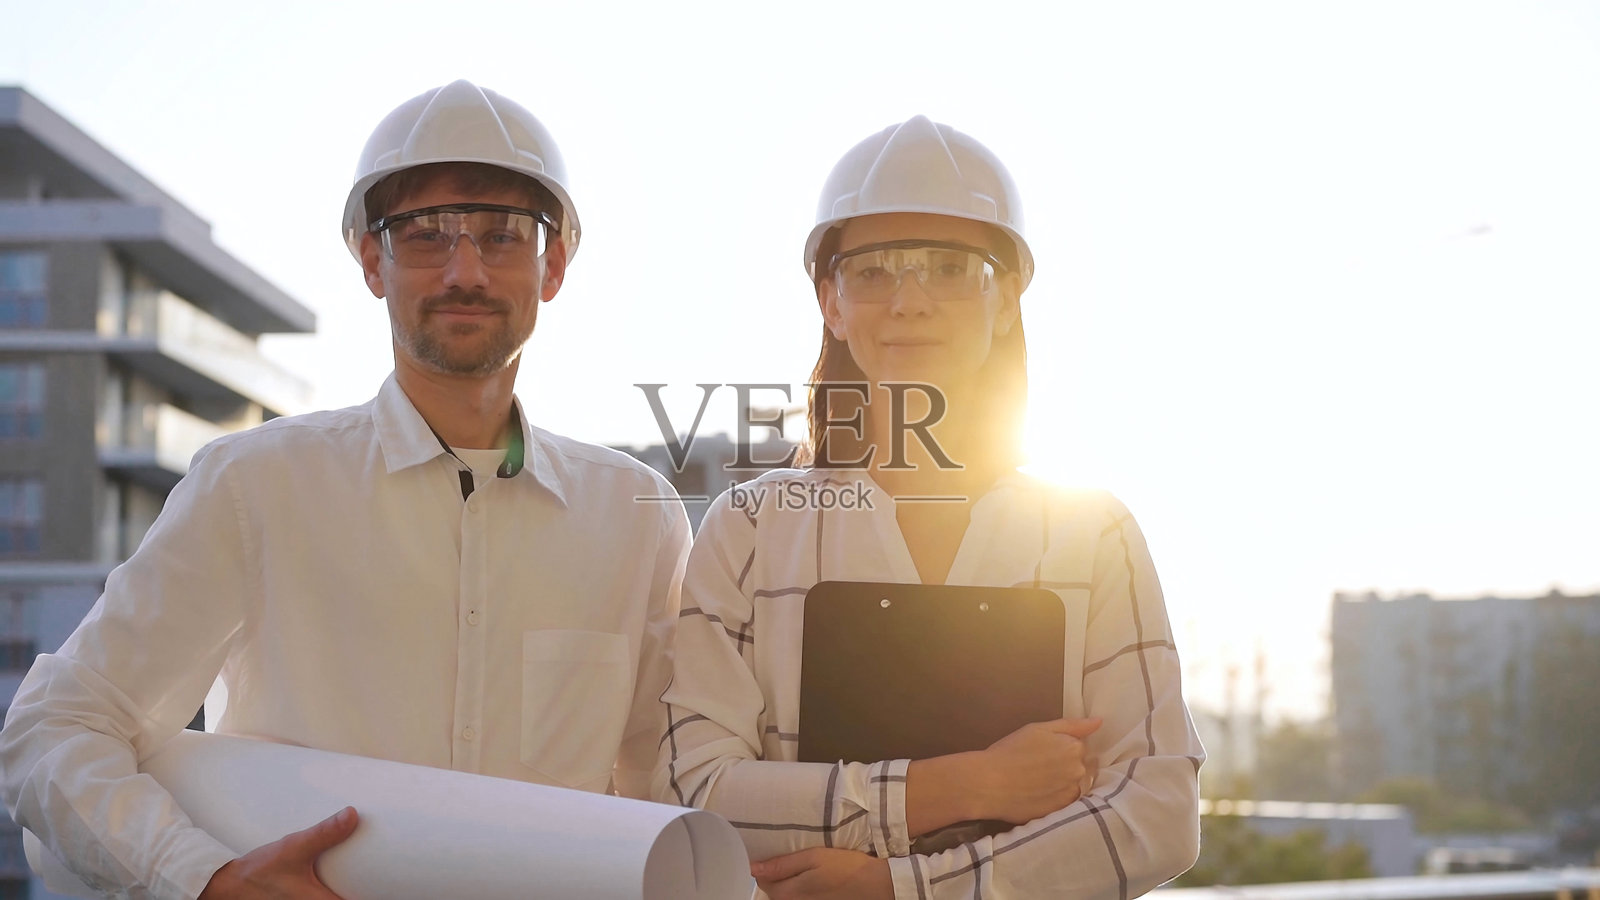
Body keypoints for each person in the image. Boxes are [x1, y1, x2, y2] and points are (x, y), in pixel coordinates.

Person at [0, 80, 689, 899]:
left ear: (554, 266)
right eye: (425, 234)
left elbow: (668, 792)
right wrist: (204, 878)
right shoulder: (256, 487)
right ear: (373, 261)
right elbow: (53, 729)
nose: (464, 269)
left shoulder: (635, 518)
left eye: (502, 237)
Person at [653, 116, 1204, 899]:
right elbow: (694, 795)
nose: (910, 301)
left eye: (950, 268)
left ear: (1007, 299)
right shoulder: (749, 528)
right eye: (873, 272)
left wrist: (900, 886)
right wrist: (964, 787)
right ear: (831, 303)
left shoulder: (1093, 534)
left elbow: (1157, 813)